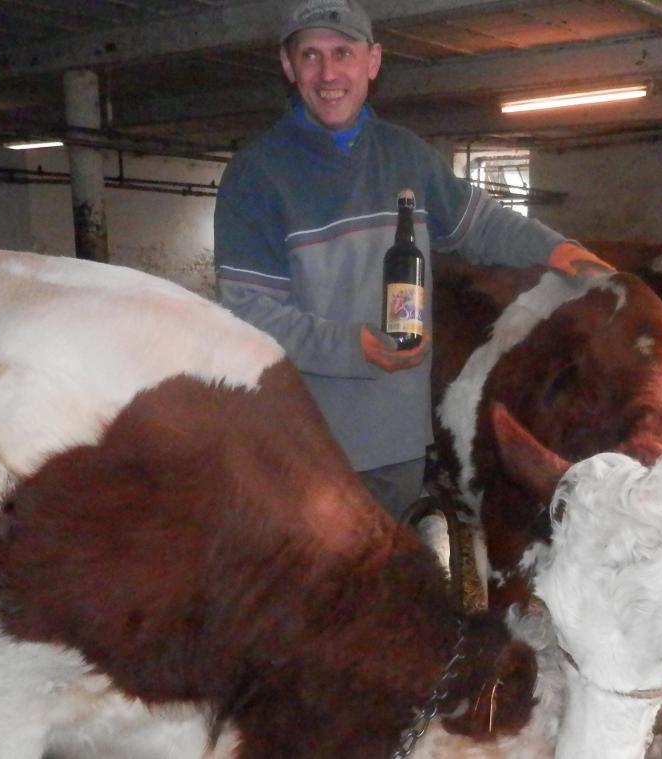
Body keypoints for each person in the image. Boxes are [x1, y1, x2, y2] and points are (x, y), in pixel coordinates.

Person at [213, 0, 611, 522]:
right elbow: (248, 311)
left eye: (343, 53)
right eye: (310, 55)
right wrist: (350, 345)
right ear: (288, 66)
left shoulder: (407, 155)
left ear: (372, 62)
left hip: (396, 435)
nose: (328, 72)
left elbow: (480, 223)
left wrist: (557, 249)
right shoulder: (256, 174)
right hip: (301, 435)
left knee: (388, 582)